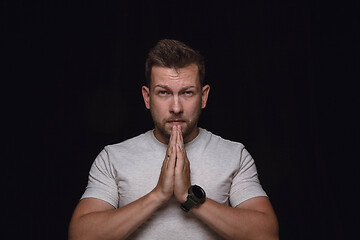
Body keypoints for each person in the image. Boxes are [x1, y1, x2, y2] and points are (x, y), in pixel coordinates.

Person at [68, 39, 279, 240]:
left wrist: (191, 197)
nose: (176, 108)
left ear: (203, 97)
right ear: (147, 97)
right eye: (163, 93)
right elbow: (80, 235)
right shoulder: (113, 157)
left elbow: (266, 234)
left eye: (187, 93)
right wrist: (158, 195)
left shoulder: (234, 155)